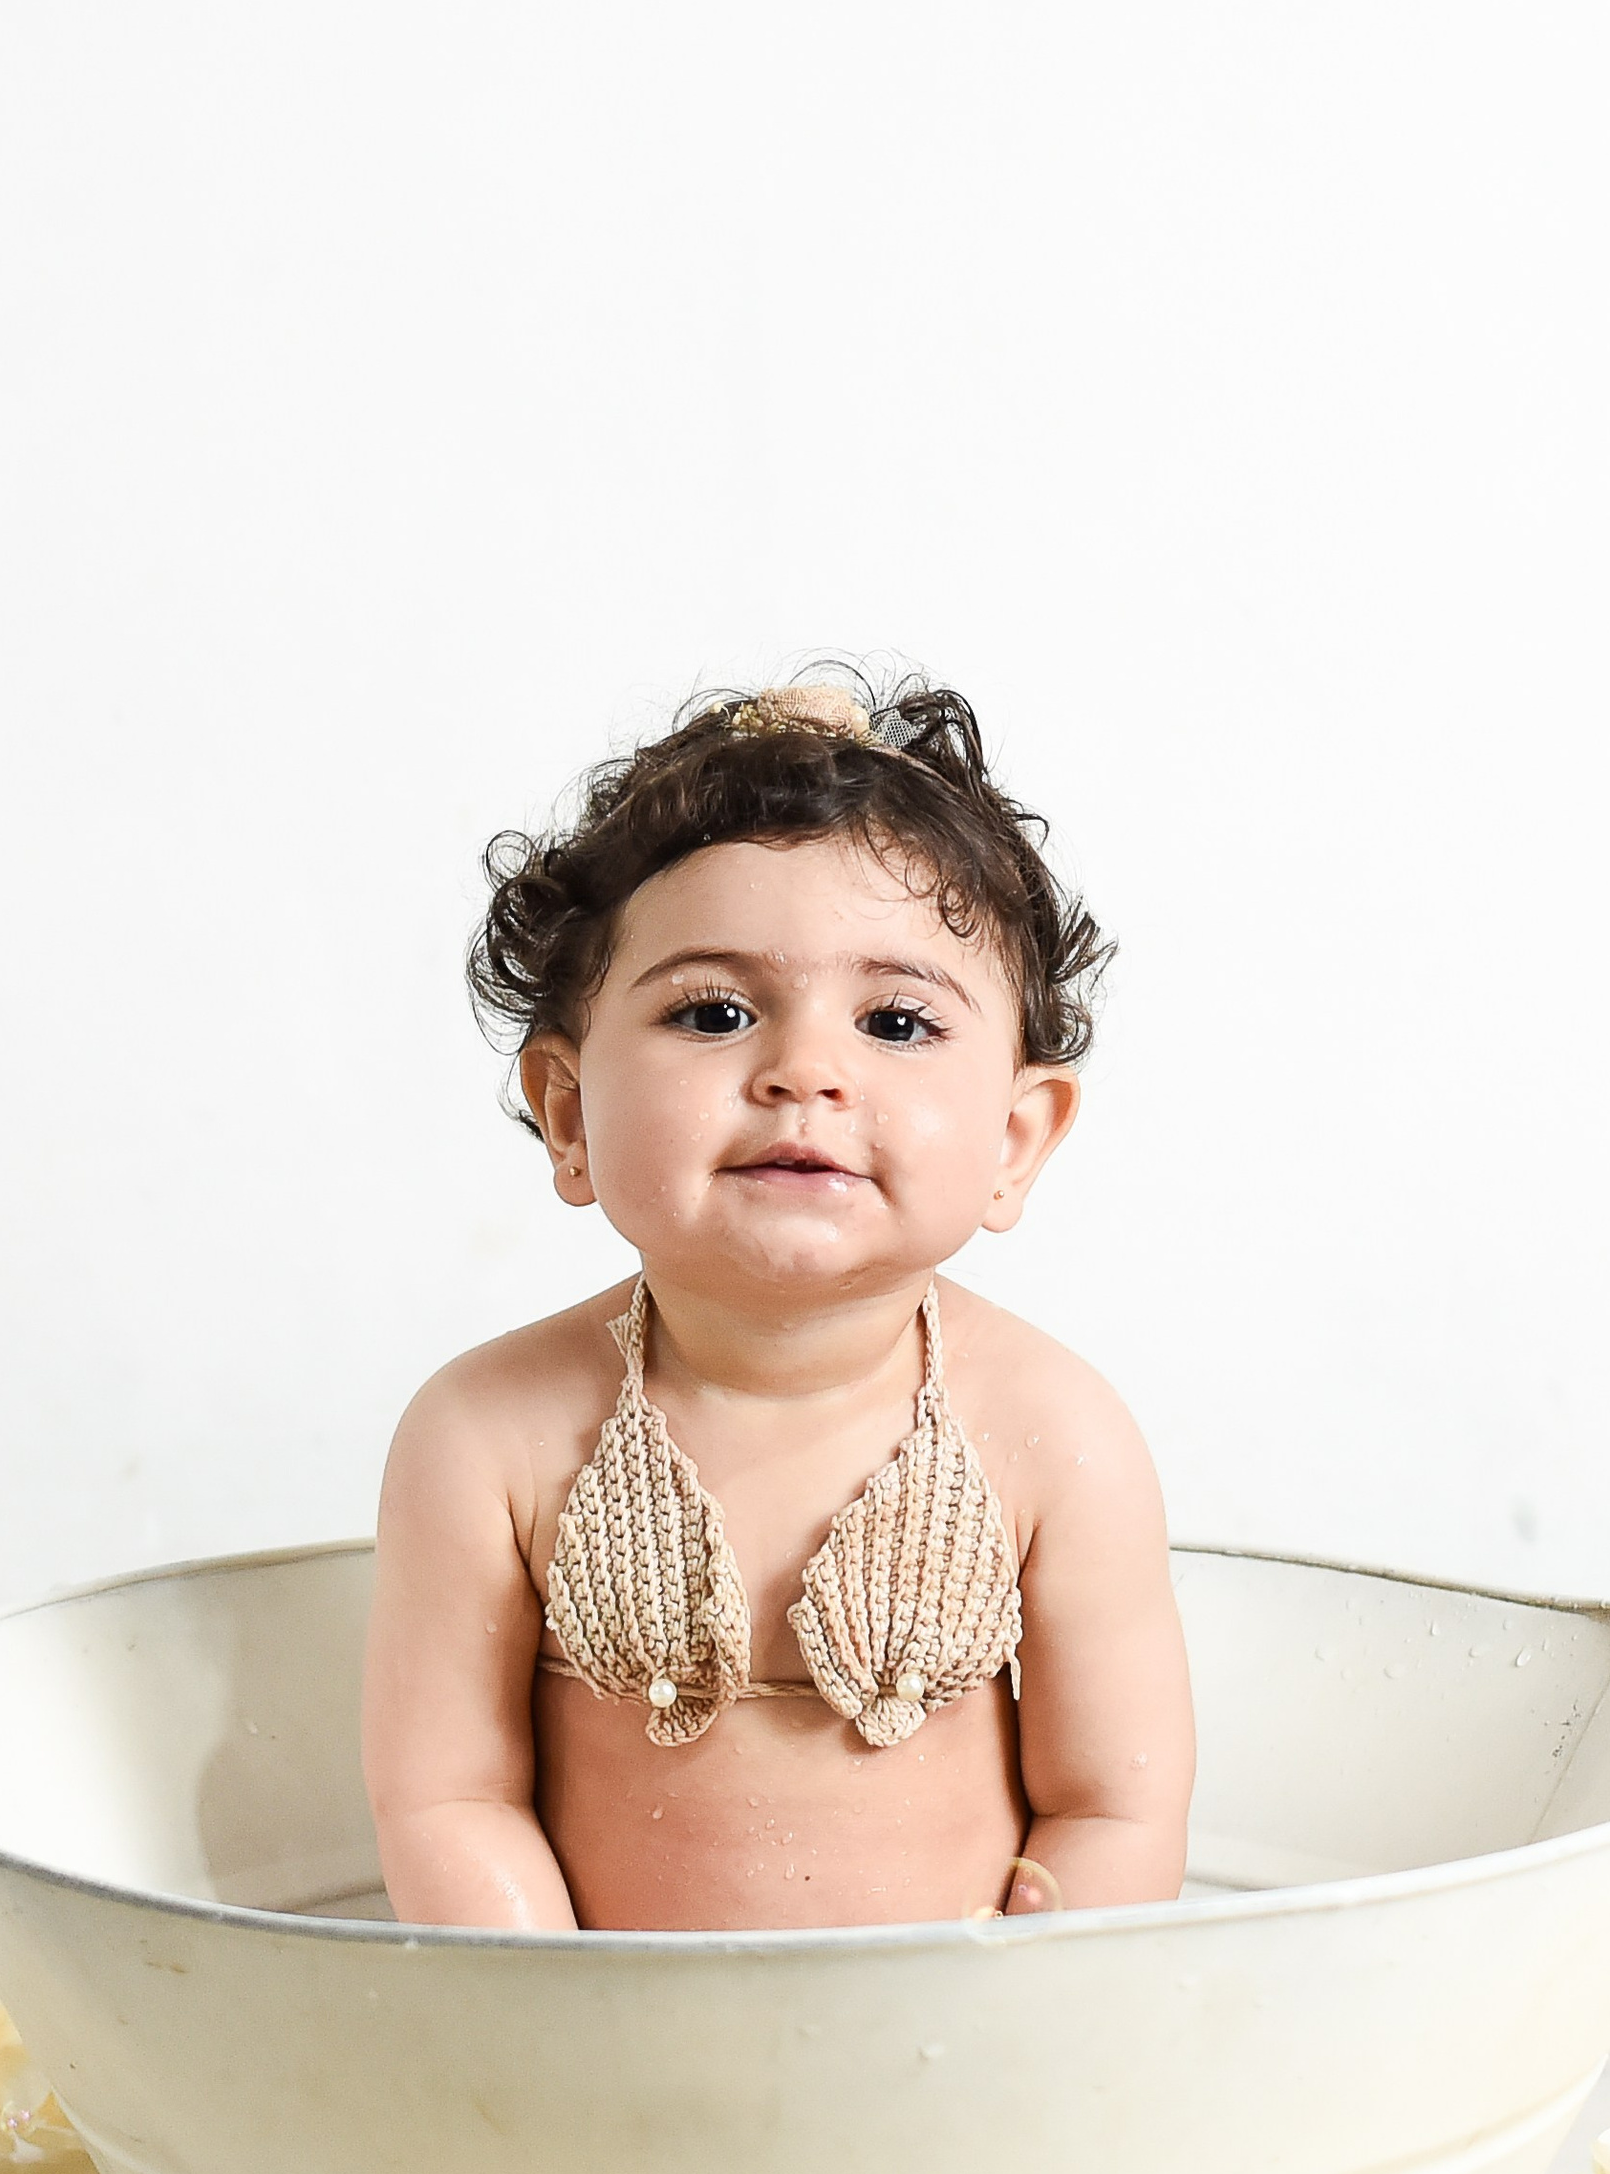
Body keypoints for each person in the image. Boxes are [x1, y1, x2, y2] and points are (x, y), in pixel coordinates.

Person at [362, 675, 1193, 1932]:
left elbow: (1114, 1804)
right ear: (569, 1113)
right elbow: (449, 1794)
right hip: (597, 2033)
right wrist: (543, 2009)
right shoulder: (486, 1435)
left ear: (1015, 1140)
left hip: (953, 2030)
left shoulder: (1053, 1433)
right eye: (714, 1011)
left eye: (895, 1021)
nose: (805, 1070)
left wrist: (1032, 2002)